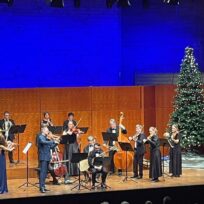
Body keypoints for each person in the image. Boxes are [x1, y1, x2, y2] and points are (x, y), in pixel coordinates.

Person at [37, 126, 58, 193]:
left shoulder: (46, 138)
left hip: (47, 157)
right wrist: (52, 141)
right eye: (47, 131)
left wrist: (56, 143)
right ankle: (41, 187)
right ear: (43, 131)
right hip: (43, 158)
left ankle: (43, 186)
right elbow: (43, 142)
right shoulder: (40, 137)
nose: (48, 132)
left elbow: (51, 147)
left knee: (45, 173)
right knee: (42, 173)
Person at [0, 129, 15, 194]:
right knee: (1, 172)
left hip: (1, 156)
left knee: (2, 172)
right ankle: (2, 188)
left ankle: (2, 187)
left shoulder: (2, 140)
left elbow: (5, 145)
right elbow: (4, 147)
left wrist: (9, 144)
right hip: (1, 157)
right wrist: (10, 148)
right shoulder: (1, 142)